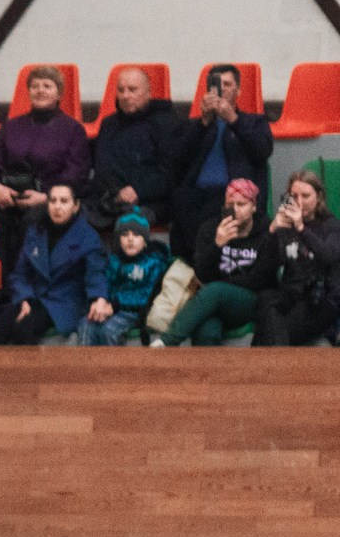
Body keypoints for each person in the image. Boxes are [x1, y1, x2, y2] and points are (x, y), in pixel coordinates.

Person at [0, 65, 90, 276]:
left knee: (33, 221)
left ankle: (24, 286)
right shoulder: (11, 127)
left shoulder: (73, 130)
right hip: (7, 197)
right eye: (35, 86)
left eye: (47, 86)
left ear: (59, 93)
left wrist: (46, 197)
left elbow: (77, 171)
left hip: (48, 198)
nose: (40, 90)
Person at [169, 63, 273, 264]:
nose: (222, 89)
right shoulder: (196, 125)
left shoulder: (254, 122)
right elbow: (178, 157)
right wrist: (203, 122)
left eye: (227, 84)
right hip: (197, 199)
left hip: (232, 200)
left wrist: (233, 119)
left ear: (238, 90)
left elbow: (261, 151)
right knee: (183, 206)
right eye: (217, 84)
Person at [155, 178, 268, 347]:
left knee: (215, 290)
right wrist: (217, 245)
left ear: (254, 206)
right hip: (215, 302)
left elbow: (262, 279)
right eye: (230, 205)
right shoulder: (210, 229)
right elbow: (201, 274)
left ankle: (166, 342)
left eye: (241, 204)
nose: (235, 210)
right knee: (206, 331)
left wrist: (222, 286)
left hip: (252, 301)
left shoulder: (267, 230)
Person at [0, 182, 106, 345]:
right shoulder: (36, 231)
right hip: (34, 296)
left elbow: (96, 273)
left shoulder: (87, 237)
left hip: (64, 302)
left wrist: (99, 297)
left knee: (24, 326)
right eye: (52, 201)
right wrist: (25, 298)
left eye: (64, 201)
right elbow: (20, 274)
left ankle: (29, 371)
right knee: (1, 324)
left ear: (75, 206)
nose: (57, 207)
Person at [252, 169, 340, 347]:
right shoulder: (286, 225)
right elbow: (266, 269)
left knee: (269, 336)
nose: (299, 202)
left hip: (321, 297)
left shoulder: (330, 225)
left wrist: (301, 228)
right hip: (291, 292)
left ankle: (269, 360)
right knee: (265, 299)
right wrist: (272, 232)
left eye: (306, 196)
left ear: (319, 196)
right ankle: (274, 357)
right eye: (294, 196)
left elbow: (328, 256)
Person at [88, 66, 180, 227]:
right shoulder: (108, 124)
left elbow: (172, 172)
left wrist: (138, 190)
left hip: (150, 202)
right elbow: (102, 169)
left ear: (148, 93)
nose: (126, 95)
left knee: (127, 225)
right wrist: (114, 195)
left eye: (132, 90)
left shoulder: (166, 123)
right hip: (109, 200)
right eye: (121, 90)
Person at [78, 210, 171, 346]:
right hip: (112, 308)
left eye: (136, 234)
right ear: (119, 240)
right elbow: (106, 284)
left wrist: (115, 305)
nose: (130, 239)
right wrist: (101, 303)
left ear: (145, 240)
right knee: (86, 324)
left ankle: (116, 366)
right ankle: (87, 366)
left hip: (135, 311)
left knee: (109, 330)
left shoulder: (153, 263)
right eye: (125, 234)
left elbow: (146, 295)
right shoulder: (113, 261)